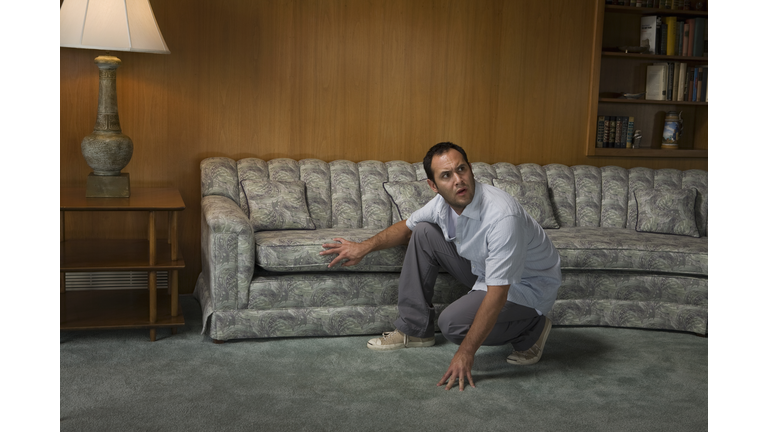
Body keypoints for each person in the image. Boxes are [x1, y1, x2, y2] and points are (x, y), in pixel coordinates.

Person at [319, 142, 561, 391]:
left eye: (461, 169)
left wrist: (466, 352)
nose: (458, 180)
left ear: (471, 171)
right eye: (446, 175)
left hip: (526, 286)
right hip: (485, 271)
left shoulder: (502, 216)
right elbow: (407, 227)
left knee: (453, 325)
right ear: (433, 185)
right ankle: (414, 329)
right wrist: (363, 247)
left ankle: (533, 329)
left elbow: (498, 294)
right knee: (423, 231)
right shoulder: (442, 203)